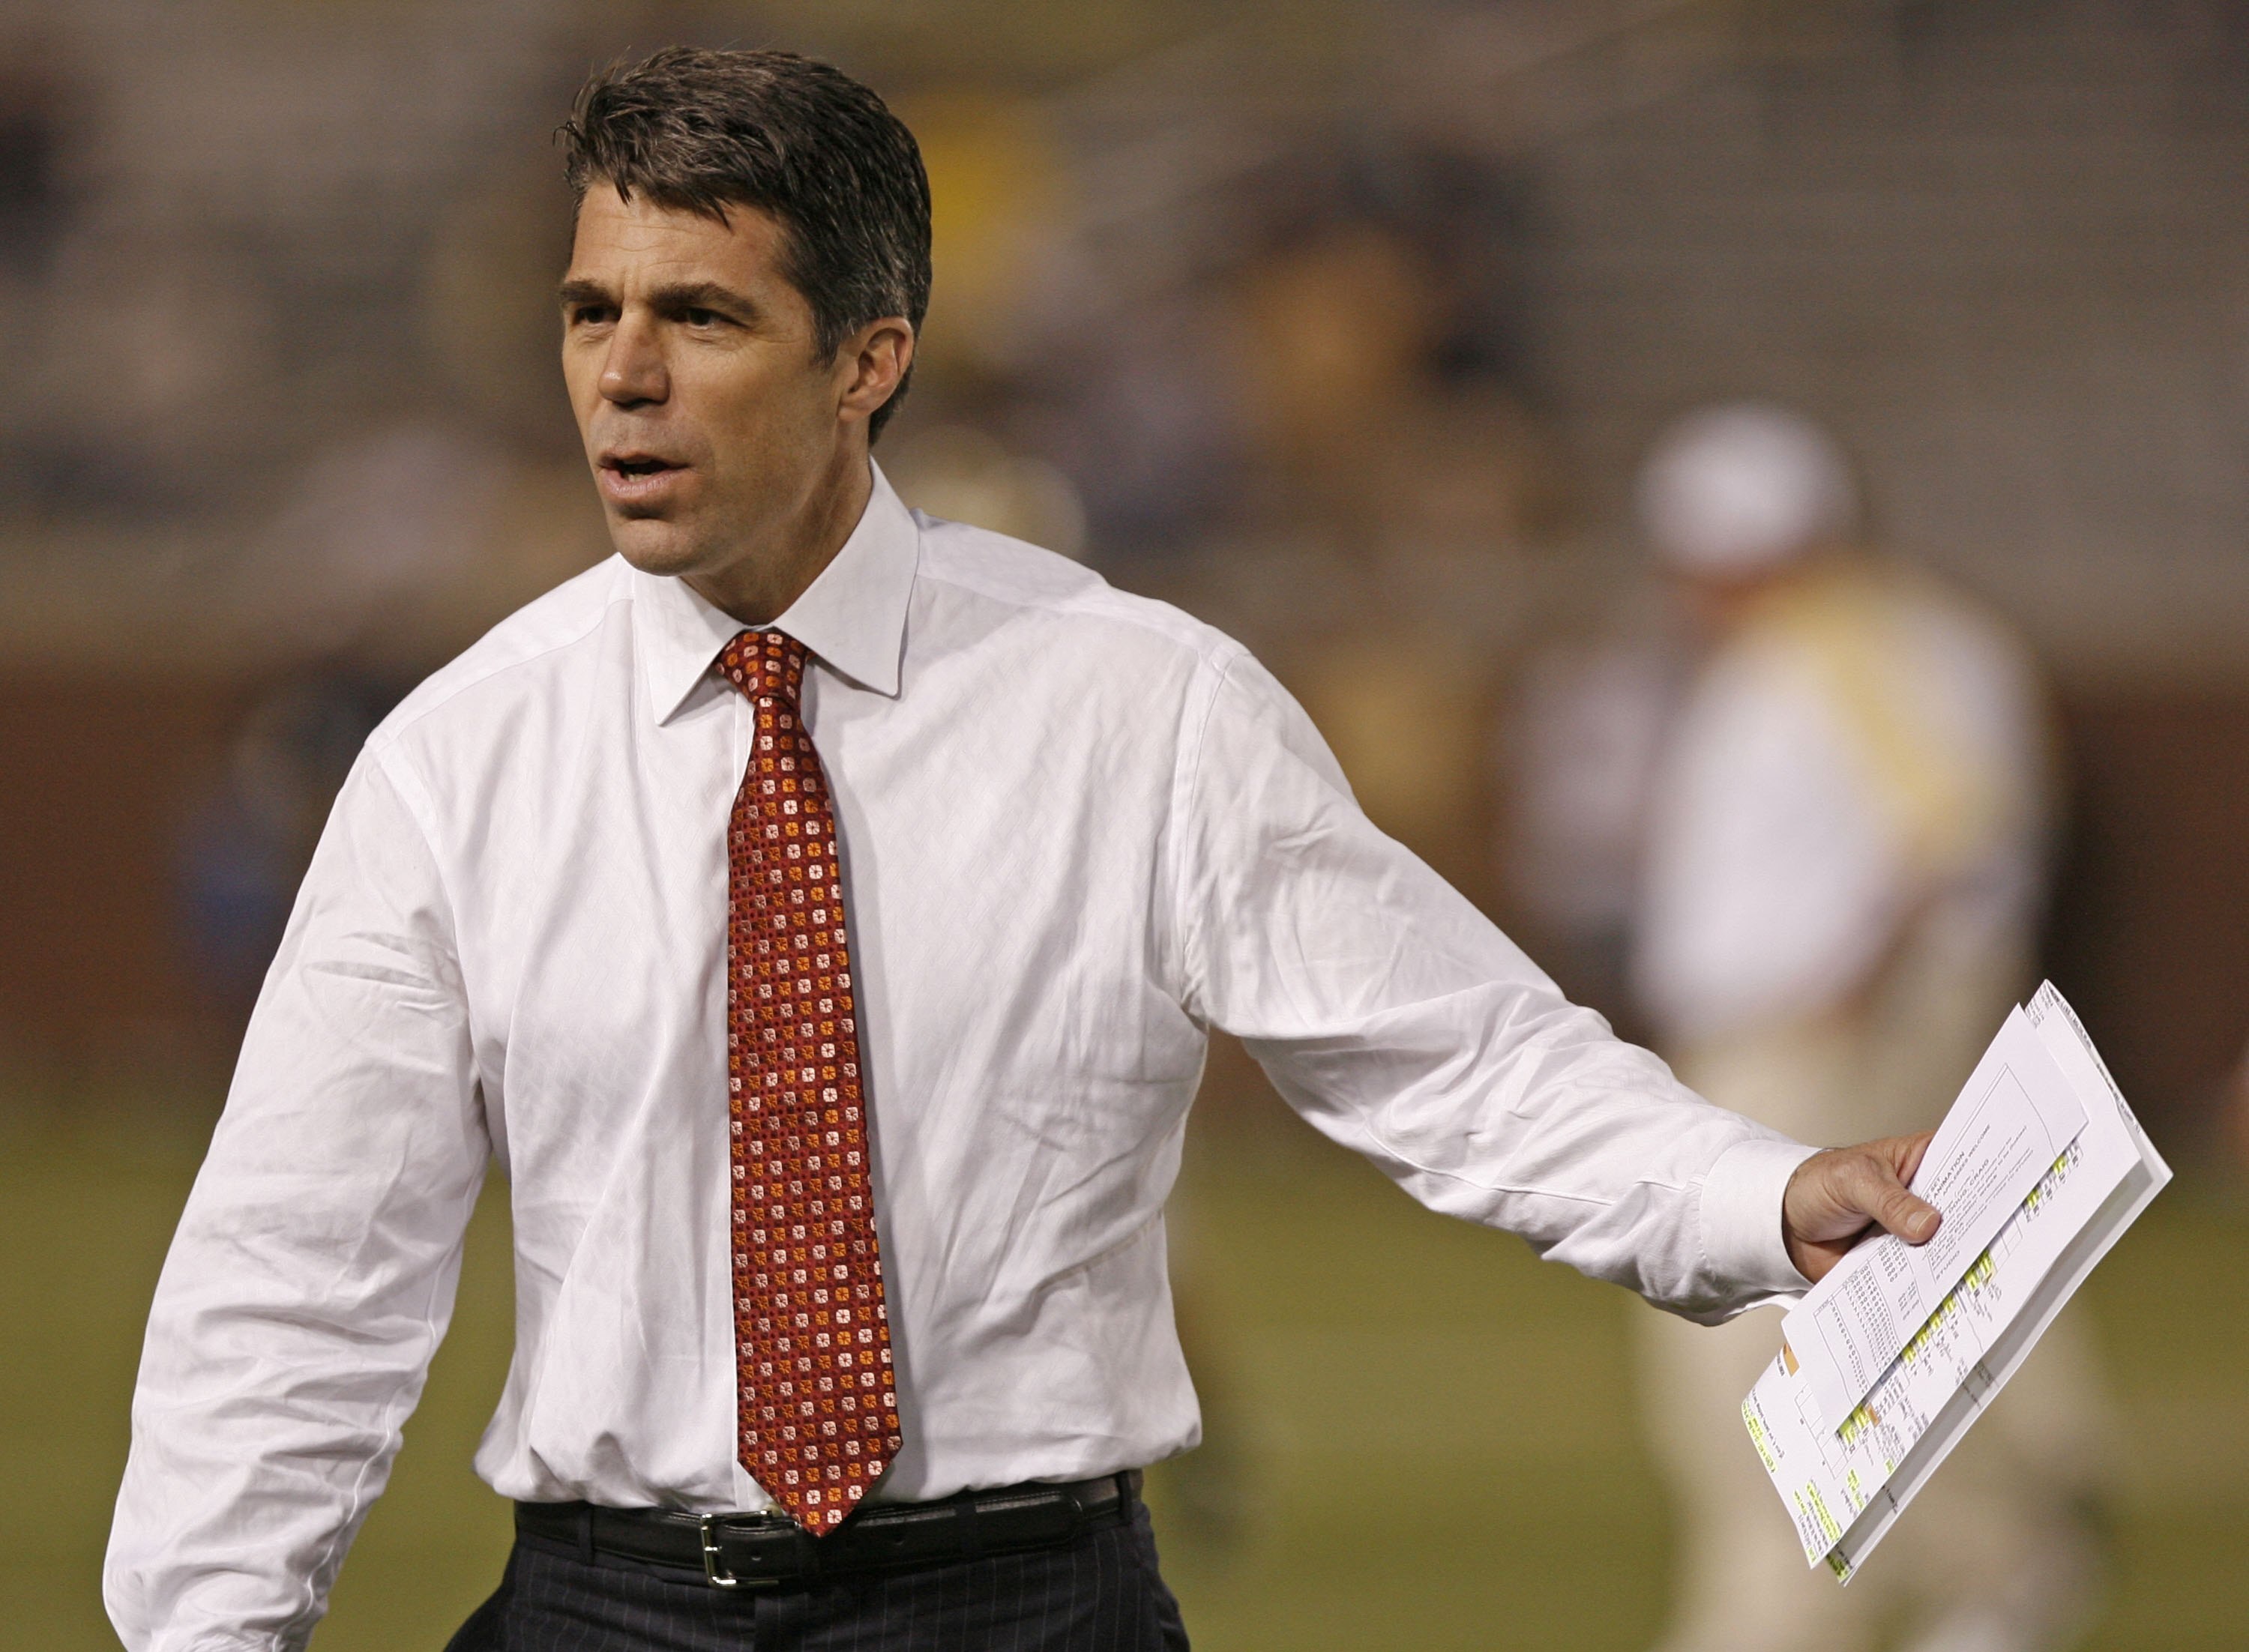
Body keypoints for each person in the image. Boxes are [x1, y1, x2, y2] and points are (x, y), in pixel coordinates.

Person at [106, 53, 1943, 1652]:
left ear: (869, 358)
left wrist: (1761, 1199)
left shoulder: (1140, 708)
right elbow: (296, 1262)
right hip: (612, 1603)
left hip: (1025, 1605)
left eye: (707, 317)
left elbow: (1462, 1059)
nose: (626, 378)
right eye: (595, 312)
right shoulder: (458, 760)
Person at [1628, 403, 2110, 1652]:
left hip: (1804, 1055)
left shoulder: (1839, 652)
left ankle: (1965, 1578)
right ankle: (1996, 1570)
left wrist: (1853, 995)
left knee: (1757, 1365)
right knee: (1871, 1334)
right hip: (1821, 1044)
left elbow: (1948, 832)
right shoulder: (1918, 639)